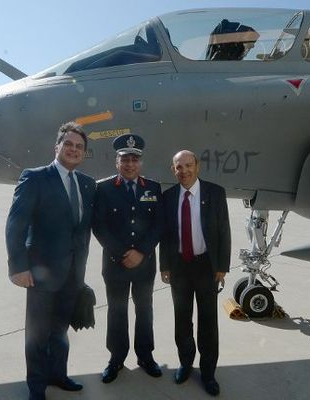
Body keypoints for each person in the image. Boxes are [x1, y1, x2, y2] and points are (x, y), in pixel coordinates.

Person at [5, 122, 96, 400]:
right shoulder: (34, 178)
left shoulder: (86, 183)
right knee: (37, 334)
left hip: (72, 274)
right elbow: (15, 225)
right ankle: (36, 387)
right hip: (40, 274)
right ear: (57, 147)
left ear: (83, 153)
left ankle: (58, 374)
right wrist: (18, 267)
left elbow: (83, 228)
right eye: (68, 144)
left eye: (79, 147)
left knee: (60, 330)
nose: (73, 150)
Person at [92, 133, 164, 383]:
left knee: (145, 309)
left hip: (144, 264)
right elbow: (99, 226)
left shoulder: (153, 187)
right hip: (116, 264)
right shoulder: (103, 188)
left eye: (134, 159)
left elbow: (158, 225)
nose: (130, 164)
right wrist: (123, 254)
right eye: (125, 159)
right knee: (117, 310)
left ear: (140, 162)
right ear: (117, 162)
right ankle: (116, 358)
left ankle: (145, 356)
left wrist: (141, 252)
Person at [160, 150, 231, 396]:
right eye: (179, 167)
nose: (185, 171)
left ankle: (208, 372)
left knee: (208, 321)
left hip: (207, 266)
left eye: (189, 165)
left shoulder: (215, 192)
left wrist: (222, 266)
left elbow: (224, 231)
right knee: (182, 318)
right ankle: (185, 363)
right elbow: (166, 236)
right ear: (173, 170)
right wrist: (164, 265)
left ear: (197, 166)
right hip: (179, 266)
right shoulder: (168, 197)